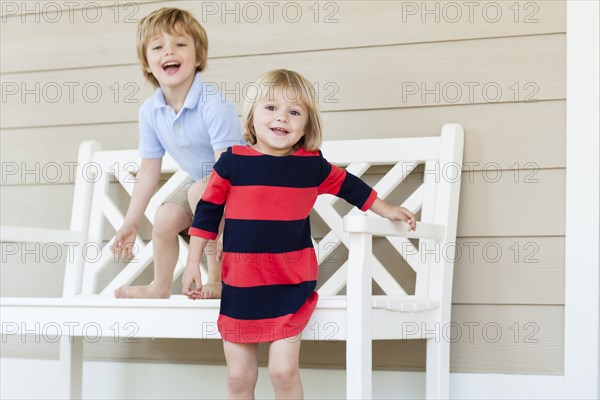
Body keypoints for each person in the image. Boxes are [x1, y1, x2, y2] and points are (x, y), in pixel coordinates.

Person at [182, 69, 417, 399]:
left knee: (283, 371)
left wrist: (386, 208)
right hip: (240, 286)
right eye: (271, 108)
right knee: (238, 376)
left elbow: (351, 187)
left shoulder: (312, 167)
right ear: (252, 117)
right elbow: (206, 214)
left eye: (294, 112)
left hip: (290, 286)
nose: (282, 118)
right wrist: (193, 263)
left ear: (306, 126)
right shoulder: (232, 163)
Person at [110, 7, 242, 299]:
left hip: (240, 182)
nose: (170, 51)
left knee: (200, 194)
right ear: (147, 63)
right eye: (158, 47)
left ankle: (217, 281)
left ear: (198, 56)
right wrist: (130, 222)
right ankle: (160, 286)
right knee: (166, 216)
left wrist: (206, 193)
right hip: (202, 182)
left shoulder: (212, 103)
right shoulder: (150, 112)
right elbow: (147, 172)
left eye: (180, 44)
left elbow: (227, 166)